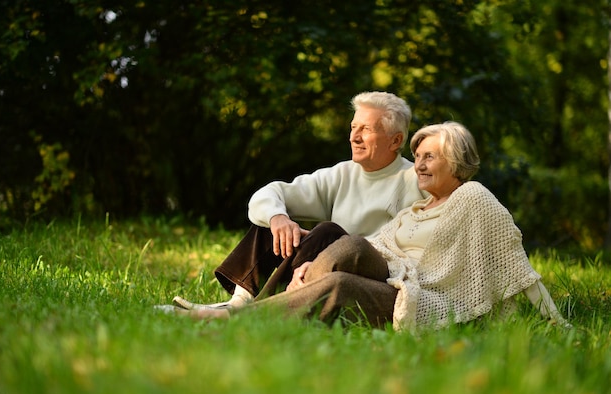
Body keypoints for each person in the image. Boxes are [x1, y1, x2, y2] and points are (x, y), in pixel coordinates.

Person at [174, 121, 569, 331]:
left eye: (431, 156)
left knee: (340, 285)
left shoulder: (474, 197)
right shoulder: (417, 208)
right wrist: (313, 264)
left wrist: (555, 320)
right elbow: (368, 246)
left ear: (457, 162)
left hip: (426, 299)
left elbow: (515, 263)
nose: (421, 165)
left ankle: (234, 320)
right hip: (393, 279)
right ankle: (285, 304)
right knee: (347, 241)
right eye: (418, 157)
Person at [170, 91, 426, 311]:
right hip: (325, 266)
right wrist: (278, 219)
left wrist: (321, 253)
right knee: (272, 220)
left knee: (328, 232)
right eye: (353, 127)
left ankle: (259, 308)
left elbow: (413, 250)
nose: (354, 137)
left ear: (396, 141)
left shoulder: (416, 180)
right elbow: (268, 194)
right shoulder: (341, 174)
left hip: (372, 276)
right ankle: (240, 302)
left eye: (366, 129)